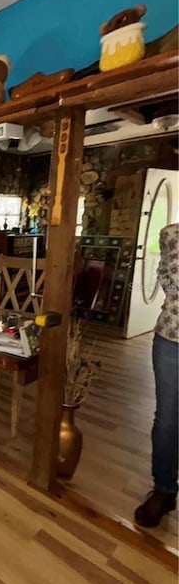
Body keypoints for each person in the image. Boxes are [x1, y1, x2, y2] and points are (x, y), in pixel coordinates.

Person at [134, 222, 179, 528]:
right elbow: (165, 279)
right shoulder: (170, 235)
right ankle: (164, 490)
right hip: (171, 341)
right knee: (166, 421)